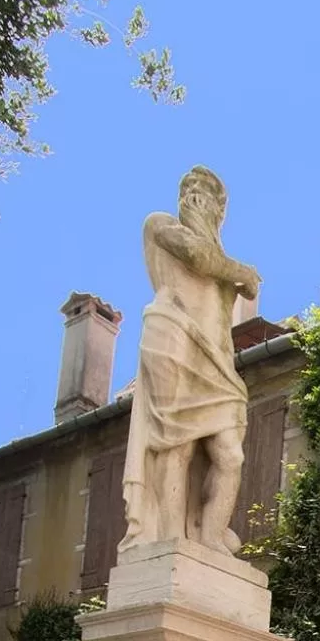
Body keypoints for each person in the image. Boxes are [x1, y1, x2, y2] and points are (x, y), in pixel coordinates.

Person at [121, 167, 260, 554]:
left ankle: (210, 535)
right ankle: (170, 540)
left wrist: (234, 272)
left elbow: (211, 266)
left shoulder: (220, 264)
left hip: (216, 361)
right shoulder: (159, 225)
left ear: (221, 209)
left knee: (230, 453)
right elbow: (198, 256)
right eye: (189, 188)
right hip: (171, 334)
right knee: (176, 443)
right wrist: (242, 272)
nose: (195, 195)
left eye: (207, 191)